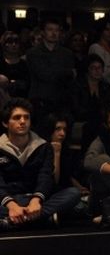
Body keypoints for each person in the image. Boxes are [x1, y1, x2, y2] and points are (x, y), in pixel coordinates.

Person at [0, 98, 80, 230]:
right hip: (8, 201)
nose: (22, 121)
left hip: (36, 200)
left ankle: (12, 222)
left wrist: (36, 200)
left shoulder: (43, 146)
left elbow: (45, 176)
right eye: (17, 117)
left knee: (73, 193)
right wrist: (12, 205)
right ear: (5, 123)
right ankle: (40, 219)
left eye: (26, 117)